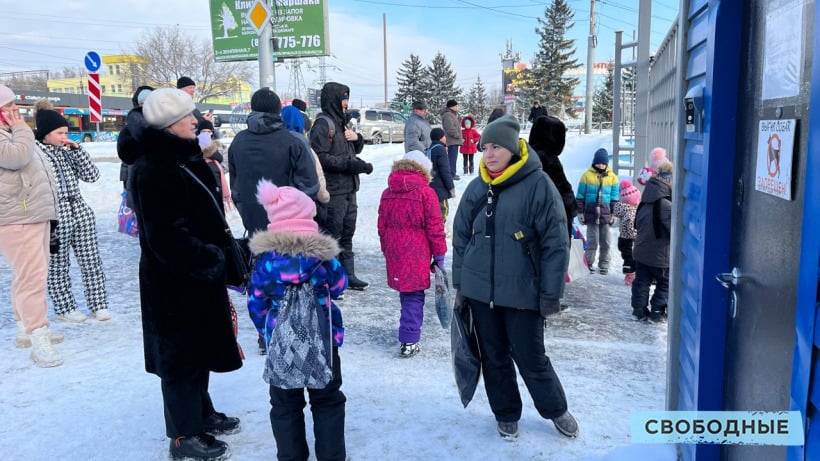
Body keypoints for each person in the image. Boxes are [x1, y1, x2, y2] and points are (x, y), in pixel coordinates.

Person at [117, 88, 243, 460]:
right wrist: (209, 258)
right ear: (170, 124)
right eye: (189, 115)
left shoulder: (181, 156)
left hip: (196, 279)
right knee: (180, 361)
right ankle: (183, 437)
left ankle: (200, 414)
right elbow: (166, 237)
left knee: (198, 351)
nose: (197, 120)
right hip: (174, 283)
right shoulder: (154, 166)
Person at [452, 115, 578, 441]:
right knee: (493, 358)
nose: (490, 154)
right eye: (485, 147)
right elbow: (461, 237)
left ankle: (555, 409)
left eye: (497, 147)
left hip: (524, 293)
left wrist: (551, 294)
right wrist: (461, 284)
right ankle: (506, 413)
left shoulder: (538, 185)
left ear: (513, 148)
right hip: (481, 294)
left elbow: (555, 243)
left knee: (532, 358)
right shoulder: (477, 187)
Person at [247, 180, 348, 461]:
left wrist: (266, 329)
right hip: (323, 343)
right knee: (327, 400)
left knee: (284, 405)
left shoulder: (267, 262)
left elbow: (256, 300)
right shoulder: (324, 257)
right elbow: (340, 286)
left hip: (282, 346)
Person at [0, 84, 64, 367]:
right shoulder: (14, 134)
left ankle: (24, 328)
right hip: (18, 216)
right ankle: (39, 336)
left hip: (31, 213)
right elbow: (17, 158)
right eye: (8, 108)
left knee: (25, 275)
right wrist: (22, 130)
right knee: (33, 278)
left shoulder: (11, 132)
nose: (15, 112)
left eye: (15, 106)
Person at [34, 100, 110, 323]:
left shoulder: (67, 150)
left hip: (79, 208)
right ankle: (64, 307)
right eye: (59, 132)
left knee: (91, 259)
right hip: (55, 214)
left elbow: (92, 175)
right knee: (58, 264)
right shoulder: (37, 153)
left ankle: (99, 304)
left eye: (66, 132)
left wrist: (78, 151)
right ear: (46, 134)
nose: (64, 136)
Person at [378, 150, 446, 357]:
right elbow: (435, 226)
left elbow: (382, 225)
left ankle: (407, 328)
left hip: (395, 250)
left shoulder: (387, 192)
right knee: (414, 294)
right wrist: (439, 254)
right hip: (417, 251)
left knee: (406, 292)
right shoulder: (426, 193)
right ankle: (409, 338)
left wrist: (387, 248)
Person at [228, 87, 319, 236]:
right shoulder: (293, 140)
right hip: (290, 229)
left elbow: (236, 188)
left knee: (260, 259)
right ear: (278, 110)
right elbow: (310, 185)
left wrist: (248, 216)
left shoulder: (238, 141)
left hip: (254, 227)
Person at [309, 81, 373, 291]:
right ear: (333, 100)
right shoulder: (323, 124)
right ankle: (329, 278)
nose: (346, 103)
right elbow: (320, 158)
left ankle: (348, 275)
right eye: (343, 98)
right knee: (331, 234)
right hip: (333, 190)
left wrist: (358, 138)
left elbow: (354, 149)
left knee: (347, 233)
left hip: (349, 188)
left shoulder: (343, 123)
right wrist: (349, 164)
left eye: (347, 98)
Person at [631, 162, 673, 322]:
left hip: (641, 252)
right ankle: (657, 311)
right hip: (659, 256)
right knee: (665, 283)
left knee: (641, 282)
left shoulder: (645, 201)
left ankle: (639, 310)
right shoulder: (666, 205)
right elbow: (673, 231)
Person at [528, 115, 577, 237]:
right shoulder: (548, 159)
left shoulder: (527, 156)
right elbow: (563, 193)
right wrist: (572, 208)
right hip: (550, 225)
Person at [575, 148, 620, 274]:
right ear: (594, 162)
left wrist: (614, 214)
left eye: (603, 163)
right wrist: (580, 213)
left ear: (607, 164)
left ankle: (604, 264)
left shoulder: (612, 178)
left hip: (605, 215)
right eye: (599, 163)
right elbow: (580, 196)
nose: (601, 165)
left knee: (605, 241)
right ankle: (588, 263)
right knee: (592, 241)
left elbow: (614, 198)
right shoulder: (586, 176)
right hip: (591, 214)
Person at [281, 104, 330, 207]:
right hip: (299, 208)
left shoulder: (271, 143)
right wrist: (325, 197)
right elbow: (316, 175)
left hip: (274, 208)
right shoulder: (302, 144)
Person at [120, 85, 153, 200]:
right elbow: (126, 159)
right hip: (137, 178)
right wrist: (125, 182)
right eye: (143, 103)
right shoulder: (132, 125)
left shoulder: (161, 122)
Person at [613, 179, 641, 286]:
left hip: (623, 239)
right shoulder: (631, 212)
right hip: (630, 240)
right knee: (631, 259)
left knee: (628, 257)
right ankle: (631, 277)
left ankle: (629, 275)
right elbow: (631, 227)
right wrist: (636, 234)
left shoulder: (625, 209)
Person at [427, 127, 455, 224]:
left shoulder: (429, 149)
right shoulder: (440, 149)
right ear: (441, 138)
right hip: (439, 186)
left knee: (433, 210)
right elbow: (445, 170)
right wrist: (451, 187)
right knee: (443, 210)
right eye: (444, 136)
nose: (445, 138)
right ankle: (439, 230)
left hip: (430, 185)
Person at [440, 99, 463, 181]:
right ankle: (451, 174)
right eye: (456, 106)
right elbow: (450, 128)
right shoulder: (448, 115)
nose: (457, 107)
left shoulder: (451, 115)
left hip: (454, 140)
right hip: (452, 140)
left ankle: (452, 173)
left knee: (453, 158)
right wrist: (458, 136)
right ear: (452, 107)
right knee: (451, 158)